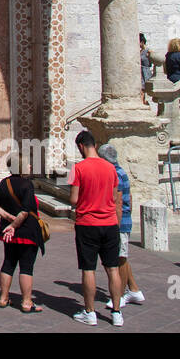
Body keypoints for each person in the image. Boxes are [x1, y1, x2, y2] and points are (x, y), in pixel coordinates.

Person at [68, 130, 124, 327]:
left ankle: (90, 312)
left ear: (81, 146)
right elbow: (117, 197)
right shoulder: (111, 168)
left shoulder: (79, 168)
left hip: (88, 224)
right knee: (113, 268)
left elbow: (74, 200)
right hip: (109, 224)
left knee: (88, 269)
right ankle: (117, 312)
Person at [0, 151, 46, 314]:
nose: (30, 166)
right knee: (26, 267)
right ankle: (27, 302)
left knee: (8, 263)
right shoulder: (26, 185)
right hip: (25, 232)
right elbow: (25, 211)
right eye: (28, 163)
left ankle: (3, 297)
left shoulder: (3, 183)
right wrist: (14, 225)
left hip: (8, 232)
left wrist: (8, 220)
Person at [98, 144, 144, 308]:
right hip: (122, 219)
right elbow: (129, 198)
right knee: (121, 257)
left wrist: (115, 226)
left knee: (119, 259)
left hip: (118, 222)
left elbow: (117, 201)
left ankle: (121, 295)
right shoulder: (120, 171)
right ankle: (134, 289)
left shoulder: (115, 174)